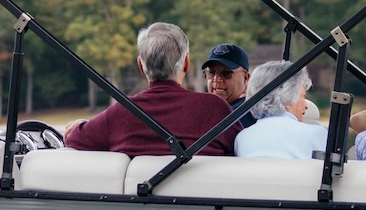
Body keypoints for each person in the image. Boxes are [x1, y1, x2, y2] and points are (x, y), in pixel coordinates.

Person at [65, 22, 240, 158]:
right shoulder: (216, 109)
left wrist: (81, 124)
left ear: (141, 66)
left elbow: (73, 139)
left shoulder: (121, 113)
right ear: (186, 63)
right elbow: (244, 147)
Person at [233, 61, 327, 159]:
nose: (306, 105)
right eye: (302, 96)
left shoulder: (242, 138)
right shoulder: (318, 135)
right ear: (286, 98)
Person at [202, 43, 257, 129]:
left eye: (226, 73)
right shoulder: (205, 110)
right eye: (211, 73)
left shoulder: (247, 114)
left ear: (245, 78)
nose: (217, 79)